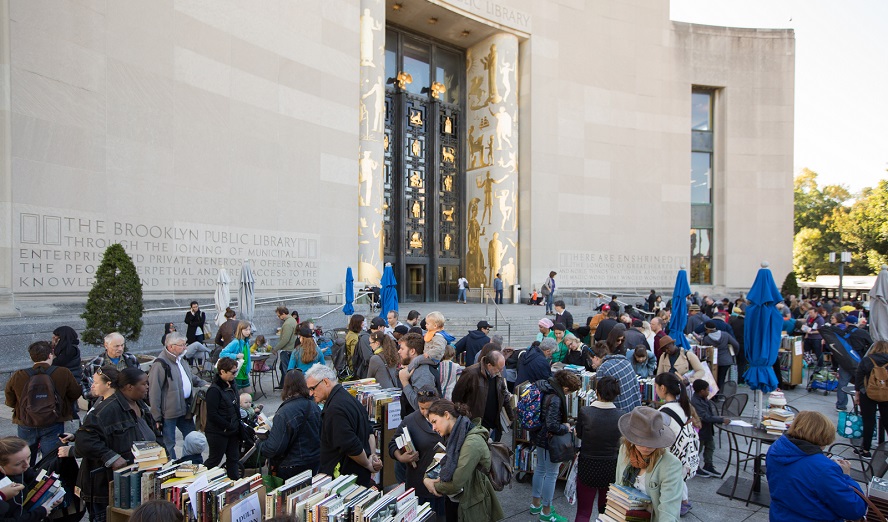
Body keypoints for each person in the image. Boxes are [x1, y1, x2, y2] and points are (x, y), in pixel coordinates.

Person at [75, 367, 163, 521]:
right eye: (144, 384)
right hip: (106, 489)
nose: (147, 387)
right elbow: (83, 441)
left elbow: (155, 435)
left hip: (135, 482)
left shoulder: (140, 404)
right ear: (129, 387)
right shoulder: (106, 410)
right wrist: (111, 457)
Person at [766, 410, 867, 522]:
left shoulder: (776, 449)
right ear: (823, 437)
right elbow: (855, 510)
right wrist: (846, 477)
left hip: (780, 516)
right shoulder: (823, 468)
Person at [422, 400, 504, 522]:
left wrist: (432, 484)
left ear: (446, 415)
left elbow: (456, 483)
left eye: (434, 422)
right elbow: (437, 462)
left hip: (473, 507)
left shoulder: (472, 442)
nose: (433, 428)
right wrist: (426, 478)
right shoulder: (453, 435)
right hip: (458, 501)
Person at [4, 341, 80, 466]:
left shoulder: (19, 375)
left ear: (31, 357)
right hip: (54, 420)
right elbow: (75, 393)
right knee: (50, 459)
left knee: (25, 460)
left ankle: (27, 477)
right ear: (50, 355)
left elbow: (10, 399)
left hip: (26, 421)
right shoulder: (63, 373)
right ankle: (47, 477)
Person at [305, 364, 381, 487]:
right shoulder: (349, 398)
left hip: (345, 480)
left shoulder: (334, 409)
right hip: (357, 476)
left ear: (326, 382)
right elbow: (369, 431)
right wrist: (371, 456)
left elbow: (351, 445)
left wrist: (368, 463)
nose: (311, 393)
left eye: (313, 388)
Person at [529, 370, 581, 522]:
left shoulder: (544, 386)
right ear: (565, 388)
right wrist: (566, 427)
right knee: (551, 474)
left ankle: (535, 504)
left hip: (538, 435)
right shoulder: (556, 398)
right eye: (569, 392)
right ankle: (546, 512)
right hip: (548, 439)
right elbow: (552, 425)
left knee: (540, 469)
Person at [615, 407, 683, 522]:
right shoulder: (625, 450)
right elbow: (619, 485)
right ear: (631, 438)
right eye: (640, 441)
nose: (646, 447)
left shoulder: (671, 465)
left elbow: (669, 509)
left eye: (651, 442)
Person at [148, 332, 207, 460]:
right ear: (171, 347)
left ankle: (194, 464)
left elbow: (189, 376)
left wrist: (204, 384)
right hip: (168, 413)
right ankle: (172, 466)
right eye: (181, 345)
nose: (185, 347)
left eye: (185, 344)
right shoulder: (160, 364)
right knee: (169, 444)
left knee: (192, 439)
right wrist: (156, 417)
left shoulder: (180, 359)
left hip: (185, 408)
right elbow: (154, 392)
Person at [388, 386, 445, 517]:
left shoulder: (447, 418)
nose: (425, 412)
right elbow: (392, 444)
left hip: (443, 486)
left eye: (429, 408)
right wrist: (401, 458)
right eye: (421, 408)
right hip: (419, 486)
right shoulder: (410, 420)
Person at [575, 376, 623, 521]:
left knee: (583, 511)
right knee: (606, 511)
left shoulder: (585, 412)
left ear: (597, 392)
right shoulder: (621, 415)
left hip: (588, 464)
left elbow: (580, 434)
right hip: (611, 465)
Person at [258, 369, 321, 479]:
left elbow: (274, 448)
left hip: (291, 465)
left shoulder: (284, 413)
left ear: (285, 387)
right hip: (314, 462)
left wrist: (260, 444)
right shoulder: (314, 406)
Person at [655, 372, 698, 516]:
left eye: (656, 387)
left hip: (672, 455)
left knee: (671, 480)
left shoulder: (664, 412)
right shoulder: (683, 406)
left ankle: (680, 504)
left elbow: (658, 436)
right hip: (684, 454)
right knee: (678, 479)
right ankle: (684, 501)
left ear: (662, 388)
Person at [450, 350, 512, 442]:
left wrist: (512, 417)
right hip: (476, 425)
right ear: (489, 365)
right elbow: (457, 397)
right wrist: (466, 416)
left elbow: (504, 394)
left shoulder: (497, 374)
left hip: (493, 425)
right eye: (499, 369)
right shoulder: (471, 373)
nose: (501, 371)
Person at [0, 437, 64, 522]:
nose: (27, 465)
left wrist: (53, 495)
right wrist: (40, 513)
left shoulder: (22, 471)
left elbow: (35, 481)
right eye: (18, 464)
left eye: (28, 457)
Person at [204, 357, 242, 479]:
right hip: (218, 432)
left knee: (233, 459)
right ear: (222, 372)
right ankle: (201, 480)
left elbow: (235, 406)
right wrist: (228, 425)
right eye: (233, 372)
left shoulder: (232, 384)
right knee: (215, 460)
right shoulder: (214, 390)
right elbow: (212, 414)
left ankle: (235, 482)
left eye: (236, 371)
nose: (235, 374)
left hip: (232, 430)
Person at [854, 340, 888, 458]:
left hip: (868, 393)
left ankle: (866, 449)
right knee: (887, 420)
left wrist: (857, 393)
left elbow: (859, 377)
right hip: (886, 394)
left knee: (868, 421)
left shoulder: (867, 360)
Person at [81, 332, 138, 402]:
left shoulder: (131, 359)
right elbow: (84, 387)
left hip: (129, 401)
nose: (120, 349)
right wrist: (93, 393)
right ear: (106, 345)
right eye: (116, 346)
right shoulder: (94, 364)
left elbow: (139, 379)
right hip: (105, 403)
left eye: (122, 345)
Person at [689, 379, 729, 477]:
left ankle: (708, 464)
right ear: (701, 391)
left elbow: (709, 414)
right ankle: (695, 467)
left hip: (707, 429)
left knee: (710, 446)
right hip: (701, 430)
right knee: (698, 449)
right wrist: (720, 420)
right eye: (707, 390)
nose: (709, 392)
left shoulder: (704, 398)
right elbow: (705, 417)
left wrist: (718, 418)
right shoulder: (696, 401)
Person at [397, 333, 441, 417]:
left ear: (412, 351)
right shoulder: (417, 368)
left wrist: (404, 382)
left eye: (402, 349)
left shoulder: (423, 372)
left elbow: (421, 406)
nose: (399, 351)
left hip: (420, 423)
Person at [596, 339, 642, 413]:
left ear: (596, 358)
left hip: (619, 412)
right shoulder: (624, 360)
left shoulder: (603, 369)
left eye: (591, 360)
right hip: (634, 409)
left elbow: (602, 396)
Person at [50, 326, 83, 418]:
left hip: (71, 379)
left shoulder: (71, 349)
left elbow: (56, 362)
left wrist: (53, 350)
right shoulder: (65, 348)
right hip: (65, 378)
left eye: (56, 335)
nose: (54, 337)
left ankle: (76, 422)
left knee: (70, 407)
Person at [701, 321, 739, 398]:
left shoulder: (707, 339)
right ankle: (720, 395)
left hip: (713, 361)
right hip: (726, 360)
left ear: (708, 329)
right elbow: (736, 345)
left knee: (713, 378)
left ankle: (714, 395)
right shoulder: (725, 335)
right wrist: (734, 354)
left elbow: (704, 350)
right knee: (722, 378)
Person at [271, 306, 298, 386]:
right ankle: (283, 385)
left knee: (286, 370)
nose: (279, 317)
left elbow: (285, 339)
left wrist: (275, 349)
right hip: (291, 349)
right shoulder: (292, 320)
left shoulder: (287, 324)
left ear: (283, 314)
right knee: (285, 369)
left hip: (287, 350)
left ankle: (289, 387)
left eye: (279, 316)